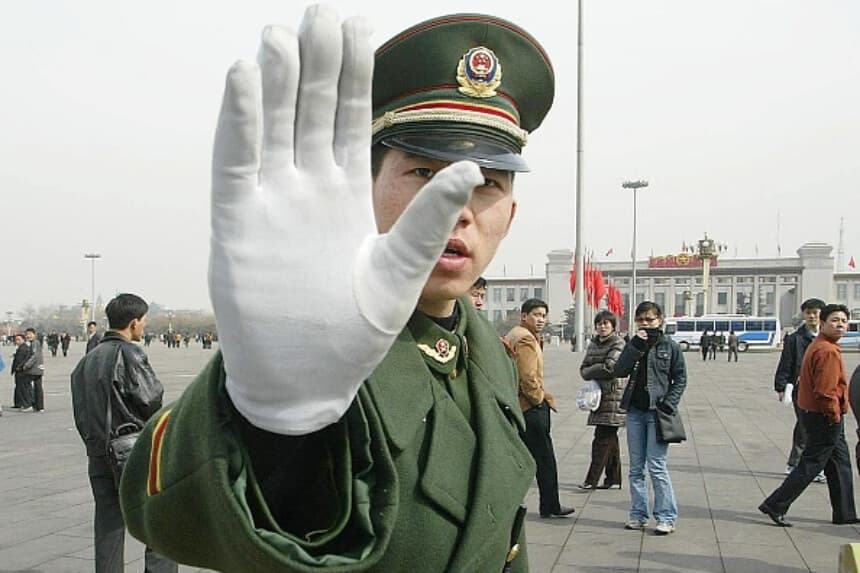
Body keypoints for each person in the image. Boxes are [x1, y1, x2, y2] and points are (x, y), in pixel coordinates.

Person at [120, 7, 555, 572]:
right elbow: (159, 511)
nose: (457, 206)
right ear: (361, 189)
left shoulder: (487, 360)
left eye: (486, 183)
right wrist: (273, 422)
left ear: (512, 215)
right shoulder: (319, 350)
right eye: (425, 173)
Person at [71, 293, 177, 573]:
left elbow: (80, 412)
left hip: (98, 452)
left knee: (108, 522)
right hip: (131, 450)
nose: (144, 326)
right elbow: (149, 398)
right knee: (160, 519)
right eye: (143, 321)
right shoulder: (129, 353)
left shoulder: (86, 360)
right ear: (133, 322)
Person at [758, 304, 857, 527]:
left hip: (819, 414)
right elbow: (825, 390)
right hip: (825, 416)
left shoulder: (821, 344)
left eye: (843, 320)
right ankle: (776, 504)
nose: (840, 324)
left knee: (840, 463)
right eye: (834, 320)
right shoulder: (827, 350)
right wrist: (833, 416)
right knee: (811, 464)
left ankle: (845, 512)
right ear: (822, 323)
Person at [614, 301, 687, 535]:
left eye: (650, 319)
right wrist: (635, 345)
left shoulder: (670, 347)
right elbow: (619, 370)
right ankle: (638, 514)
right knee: (635, 468)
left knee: (656, 466)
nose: (646, 324)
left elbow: (680, 378)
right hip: (635, 412)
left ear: (660, 320)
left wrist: (669, 402)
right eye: (641, 320)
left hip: (658, 413)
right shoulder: (634, 344)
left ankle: (666, 516)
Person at [506, 299, 575, 519]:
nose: (540, 320)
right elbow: (528, 378)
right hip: (529, 407)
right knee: (544, 459)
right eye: (536, 314)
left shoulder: (516, 334)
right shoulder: (525, 339)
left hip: (518, 405)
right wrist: (538, 400)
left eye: (543, 315)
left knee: (520, 458)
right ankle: (550, 505)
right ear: (524, 316)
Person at [774, 297, 826, 480]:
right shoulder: (795, 339)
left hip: (823, 389)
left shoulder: (826, 337)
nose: (812, 316)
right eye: (808, 312)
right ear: (804, 314)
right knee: (806, 426)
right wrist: (780, 387)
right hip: (801, 389)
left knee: (818, 427)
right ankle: (797, 464)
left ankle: (811, 465)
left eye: (815, 313)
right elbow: (786, 363)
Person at [578, 310, 627, 490]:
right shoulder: (593, 344)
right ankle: (613, 479)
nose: (602, 327)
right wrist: (593, 369)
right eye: (599, 323)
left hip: (614, 395)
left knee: (602, 438)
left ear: (613, 326)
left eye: (606, 323)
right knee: (609, 438)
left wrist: (593, 369)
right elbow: (583, 369)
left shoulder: (618, 343)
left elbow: (610, 368)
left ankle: (591, 480)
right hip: (599, 395)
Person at [22, 327, 45, 412]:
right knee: (38, 387)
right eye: (27, 334)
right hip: (39, 368)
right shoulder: (35, 343)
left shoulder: (35, 343)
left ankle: (29, 404)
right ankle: (39, 406)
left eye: (30, 334)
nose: (28, 336)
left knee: (26, 385)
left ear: (34, 334)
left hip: (34, 369)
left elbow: (34, 356)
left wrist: (26, 365)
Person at [10, 333, 34, 411]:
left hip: (22, 372)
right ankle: (20, 403)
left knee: (24, 388)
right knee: (20, 387)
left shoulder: (24, 348)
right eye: (16, 339)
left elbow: (22, 360)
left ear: (23, 340)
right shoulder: (21, 348)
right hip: (20, 371)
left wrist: (18, 368)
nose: (17, 341)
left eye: (18, 339)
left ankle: (27, 404)